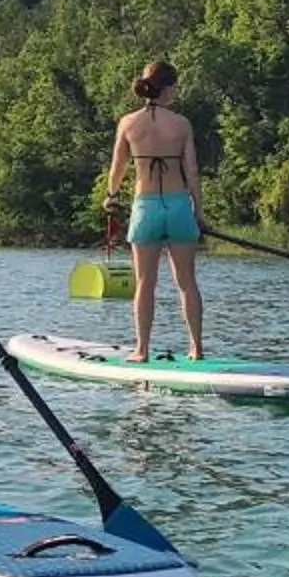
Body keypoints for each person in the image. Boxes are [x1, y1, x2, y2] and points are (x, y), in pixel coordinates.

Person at [102, 60, 205, 363]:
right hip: (178, 205)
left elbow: (117, 167)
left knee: (145, 282)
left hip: (145, 206)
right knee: (187, 282)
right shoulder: (182, 124)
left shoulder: (128, 123)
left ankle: (142, 350)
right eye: (175, 86)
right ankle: (196, 348)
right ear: (168, 88)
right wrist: (199, 213)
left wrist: (110, 197)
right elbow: (192, 172)